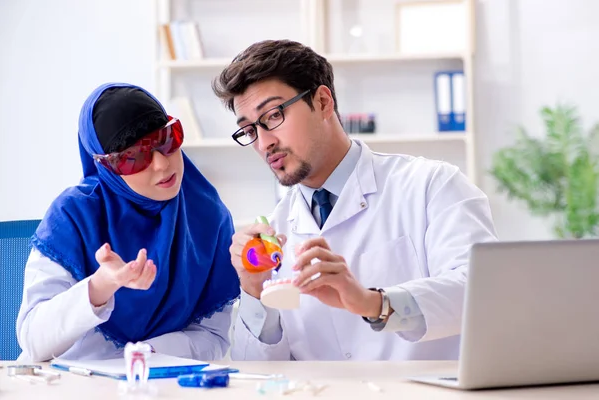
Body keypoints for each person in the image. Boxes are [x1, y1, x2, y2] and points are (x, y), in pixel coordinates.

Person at [212, 40, 498, 361]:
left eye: (274, 115)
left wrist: (373, 302)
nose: (264, 143)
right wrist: (253, 290)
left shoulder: (431, 185)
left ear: (322, 102)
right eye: (249, 130)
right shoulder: (273, 233)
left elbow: (481, 291)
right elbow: (260, 375)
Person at [16, 83, 240, 362]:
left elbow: (213, 335)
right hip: (72, 381)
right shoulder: (73, 214)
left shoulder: (208, 216)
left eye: (167, 139)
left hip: (163, 381)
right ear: (105, 166)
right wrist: (100, 286)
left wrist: (146, 355)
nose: (161, 164)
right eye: (134, 157)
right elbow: (34, 340)